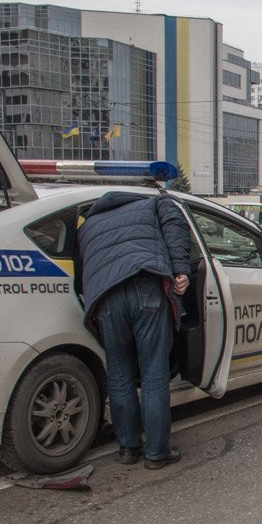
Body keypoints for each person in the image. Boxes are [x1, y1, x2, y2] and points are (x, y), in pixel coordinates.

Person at [78, 191, 191, 469]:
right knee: (154, 373)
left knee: (119, 374)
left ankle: (128, 449)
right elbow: (176, 226)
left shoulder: (87, 225)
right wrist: (180, 269)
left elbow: (82, 274)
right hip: (145, 283)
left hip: (104, 297)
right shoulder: (155, 202)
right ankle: (156, 453)